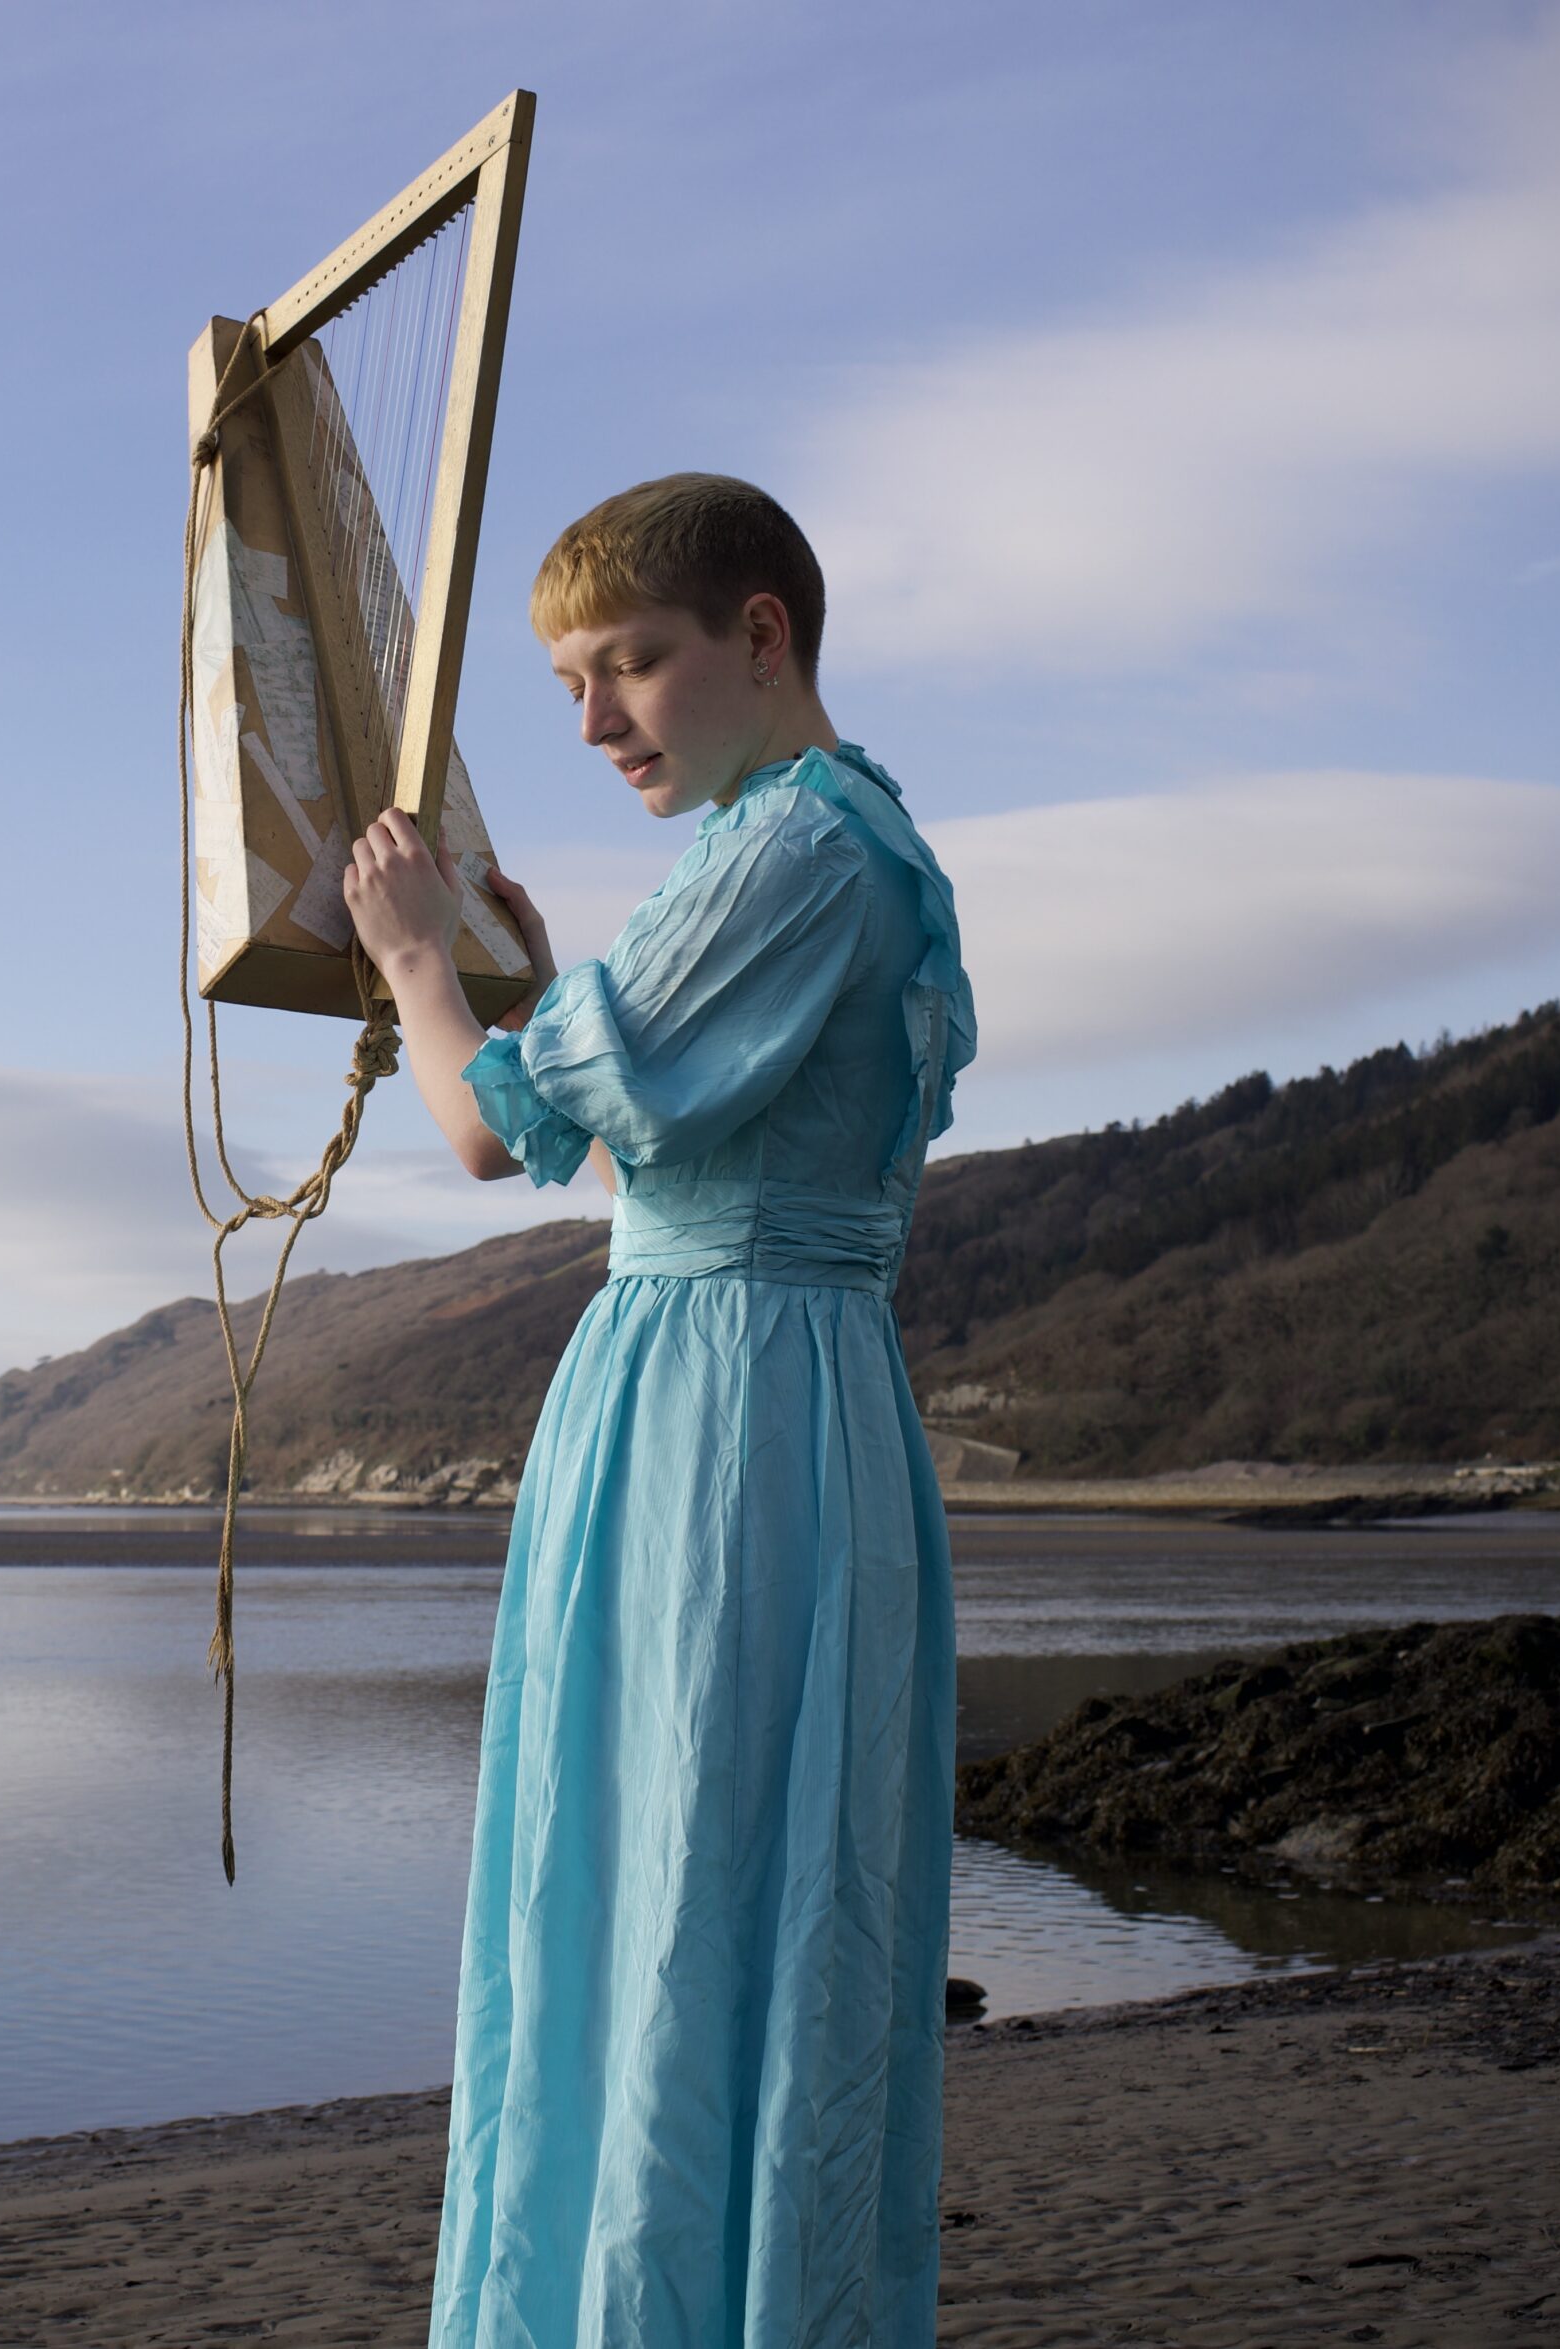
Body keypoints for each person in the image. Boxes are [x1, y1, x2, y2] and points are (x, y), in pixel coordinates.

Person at [341, 472, 975, 2348]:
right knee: (721, 1879)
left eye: (629, 665)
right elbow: (657, 1133)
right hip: (788, 1397)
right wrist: (543, 986)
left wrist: (414, 958)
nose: (597, 720)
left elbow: (489, 1131)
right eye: (570, 685)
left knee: (674, 1880)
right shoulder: (849, 839)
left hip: (722, 1415)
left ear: (761, 634)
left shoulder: (796, 850)